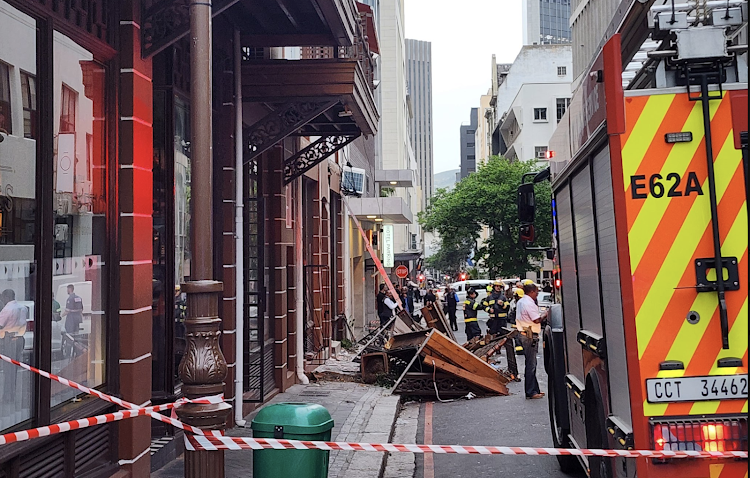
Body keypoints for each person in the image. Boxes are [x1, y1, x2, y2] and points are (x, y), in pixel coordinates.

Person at [516, 282, 549, 399]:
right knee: (531, 364)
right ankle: (531, 391)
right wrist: (546, 314)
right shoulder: (529, 303)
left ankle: (535, 389)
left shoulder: (521, 301)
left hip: (523, 333)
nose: (537, 294)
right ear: (531, 292)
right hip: (529, 335)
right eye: (536, 292)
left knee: (531, 363)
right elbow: (536, 320)